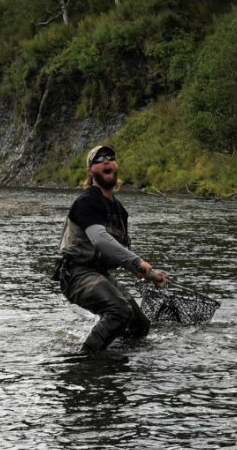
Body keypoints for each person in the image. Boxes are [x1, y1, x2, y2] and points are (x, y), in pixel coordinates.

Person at [55, 145, 167, 354]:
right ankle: (86, 360)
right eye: (99, 159)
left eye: (111, 157)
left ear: (116, 167)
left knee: (140, 325)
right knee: (118, 310)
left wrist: (151, 274)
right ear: (90, 171)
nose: (106, 160)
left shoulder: (119, 211)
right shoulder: (86, 201)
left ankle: (112, 355)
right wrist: (139, 264)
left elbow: (118, 253)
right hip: (76, 274)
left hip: (100, 274)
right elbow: (101, 241)